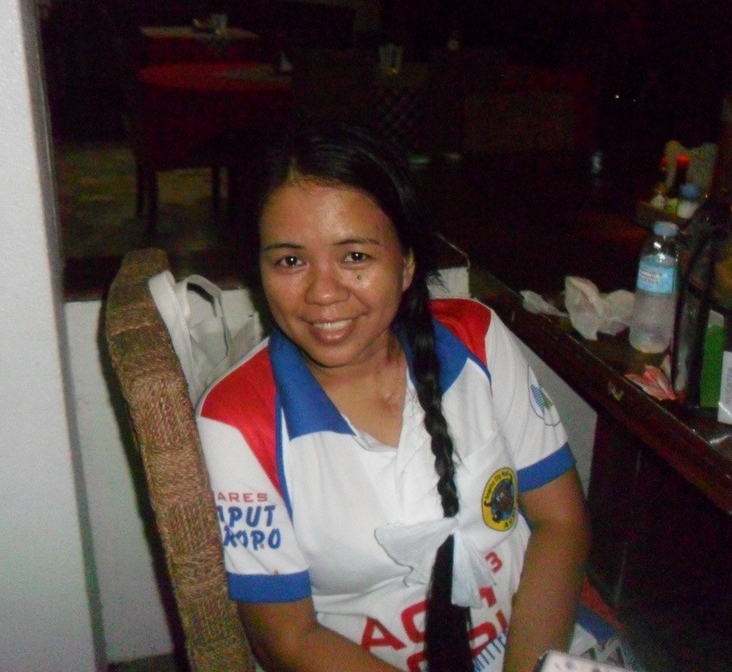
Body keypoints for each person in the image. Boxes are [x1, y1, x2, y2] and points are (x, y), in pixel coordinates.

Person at [196, 125, 593, 672]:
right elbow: (287, 639)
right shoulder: (237, 421)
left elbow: (560, 520)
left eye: (355, 256)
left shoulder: (475, 339)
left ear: (406, 264)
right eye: (290, 261)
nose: (323, 293)